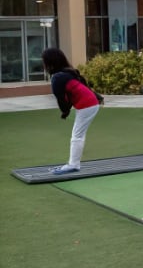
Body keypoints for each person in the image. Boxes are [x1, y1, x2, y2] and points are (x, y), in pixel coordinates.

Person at [42, 47, 103, 175]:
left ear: (49, 62)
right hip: (89, 104)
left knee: (76, 136)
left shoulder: (57, 78)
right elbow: (77, 89)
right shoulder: (66, 72)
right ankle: (74, 163)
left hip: (87, 105)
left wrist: (65, 112)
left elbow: (62, 100)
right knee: (79, 134)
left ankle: (73, 165)